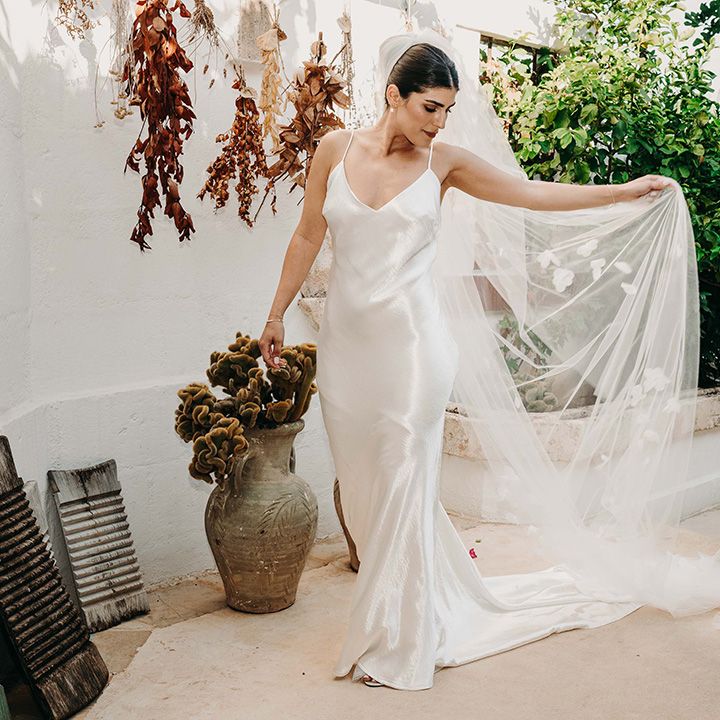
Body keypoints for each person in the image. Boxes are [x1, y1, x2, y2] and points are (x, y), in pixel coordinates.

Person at [259, 28, 720, 690]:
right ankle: (416, 606)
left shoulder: (443, 165)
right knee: (366, 498)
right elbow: (307, 235)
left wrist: (621, 192)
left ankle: (396, 642)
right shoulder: (334, 149)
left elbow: (530, 195)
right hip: (346, 355)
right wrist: (276, 314)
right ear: (394, 95)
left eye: (448, 110)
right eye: (430, 107)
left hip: (413, 354)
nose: (439, 122)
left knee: (403, 484)